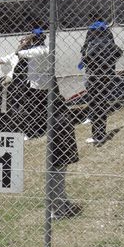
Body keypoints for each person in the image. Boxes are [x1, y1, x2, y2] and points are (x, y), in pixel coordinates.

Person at [80, 20, 121, 144]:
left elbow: (85, 58)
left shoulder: (92, 43)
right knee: (102, 103)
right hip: (107, 77)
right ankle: (101, 132)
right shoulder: (110, 43)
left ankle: (97, 135)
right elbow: (119, 53)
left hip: (93, 77)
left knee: (94, 103)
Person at [50, 86, 82, 219]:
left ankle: (59, 210)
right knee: (57, 173)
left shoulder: (55, 109)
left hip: (60, 133)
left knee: (55, 174)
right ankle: (64, 204)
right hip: (61, 129)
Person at [16, 28, 49, 137]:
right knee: (43, 107)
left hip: (34, 83)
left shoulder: (33, 51)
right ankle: (43, 129)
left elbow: (17, 53)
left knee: (31, 108)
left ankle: (32, 132)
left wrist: (24, 42)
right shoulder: (48, 49)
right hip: (46, 82)